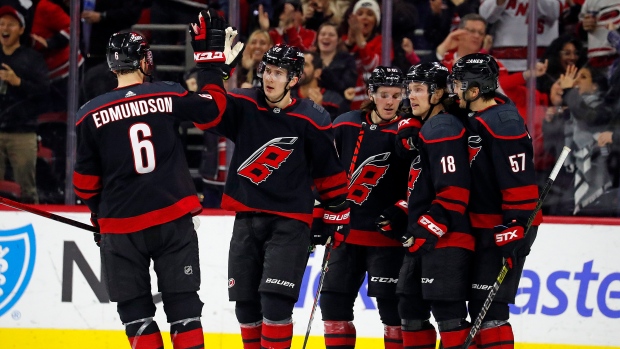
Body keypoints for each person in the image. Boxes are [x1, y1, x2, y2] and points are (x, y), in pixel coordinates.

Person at [73, 10, 243, 349]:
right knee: (184, 310)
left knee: (135, 314)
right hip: (171, 218)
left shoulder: (88, 113)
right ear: (143, 61)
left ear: (111, 66)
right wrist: (210, 67)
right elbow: (214, 110)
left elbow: (84, 183)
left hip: (121, 226)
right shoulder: (167, 93)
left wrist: (98, 216)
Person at [216, 43, 350, 349]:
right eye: (267, 71)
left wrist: (336, 215)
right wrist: (217, 73)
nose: (269, 78)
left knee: (275, 305)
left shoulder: (312, 117)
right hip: (247, 219)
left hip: (290, 223)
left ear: (293, 79)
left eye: (278, 73)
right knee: (246, 307)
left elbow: (329, 173)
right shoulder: (243, 102)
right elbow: (205, 118)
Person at [378, 62, 476, 348]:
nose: (411, 97)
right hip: (424, 238)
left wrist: (427, 228)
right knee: (409, 310)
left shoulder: (443, 127)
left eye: (419, 90)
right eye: (410, 90)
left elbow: (454, 191)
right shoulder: (427, 127)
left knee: (448, 314)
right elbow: (425, 188)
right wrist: (403, 211)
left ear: (438, 94)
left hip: (447, 238)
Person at [449, 53, 542, 348]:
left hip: (505, 227)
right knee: (477, 308)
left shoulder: (503, 122)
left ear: (475, 90)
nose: (455, 90)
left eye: (460, 84)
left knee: (489, 311)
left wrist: (516, 226)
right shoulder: (477, 116)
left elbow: (520, 182)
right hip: (482, 226)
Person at [318, 66, 410, 349]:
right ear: (371, 94)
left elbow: (421, 181)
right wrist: (320, 214)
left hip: (386, 237)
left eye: (396, 95)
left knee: (392, 311)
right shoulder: (345, 123)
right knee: (332, 303)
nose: (391, 101)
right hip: (345, 233)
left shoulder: (408, 131)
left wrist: (403, 208)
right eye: (384, 95)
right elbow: (324, 172)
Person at [0, 5, 50, 204]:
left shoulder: (32, 58)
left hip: (23, 132)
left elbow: (44, 91)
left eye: (11, 24)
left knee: (26, 188)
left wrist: (17, 82)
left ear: (21, 29)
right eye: (2, 24)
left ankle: (33, 224)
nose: (5, 28)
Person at [291, 50, 350, 119]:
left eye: (305, 65)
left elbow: (339, 128)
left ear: (317, 73)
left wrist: (319, 110)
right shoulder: (288, 97)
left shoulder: (335, 101)